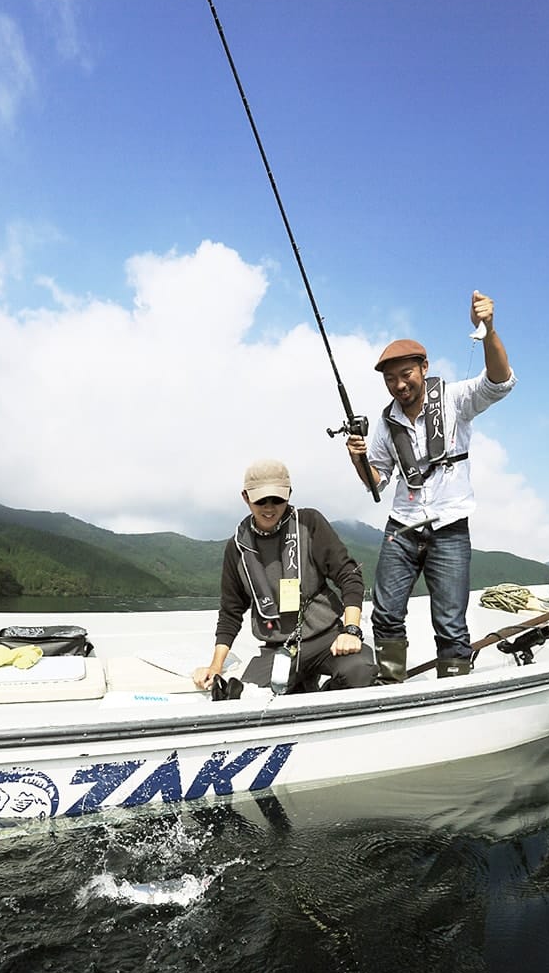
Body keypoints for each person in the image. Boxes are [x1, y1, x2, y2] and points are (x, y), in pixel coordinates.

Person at [346, 290, 516, 682]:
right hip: (400, 528)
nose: (399, 385)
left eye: (406, 375)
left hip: (450, 527)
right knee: (386, 613)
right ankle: (390, 684)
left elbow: (499, 381)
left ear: (424, 368)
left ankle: (453, 686)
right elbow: (376, 482)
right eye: (390, 380)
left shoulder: (455, 399)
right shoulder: (386, 423)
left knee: (451, 622)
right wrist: (357, 457)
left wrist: (489, 328)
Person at [193, 459, 376, 695]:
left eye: (277, 499)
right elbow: (231, 611)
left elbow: (349, 576)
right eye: (261, 500)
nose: (269, 508)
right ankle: (300, 684)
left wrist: (351, 631)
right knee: (244, 695)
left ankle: (322, 691)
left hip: (327, 638)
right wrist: (215, 666)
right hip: (279, 648)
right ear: (245, 497)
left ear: (289, 494)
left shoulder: (310, 523)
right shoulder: (236, 548)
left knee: (361, 671)